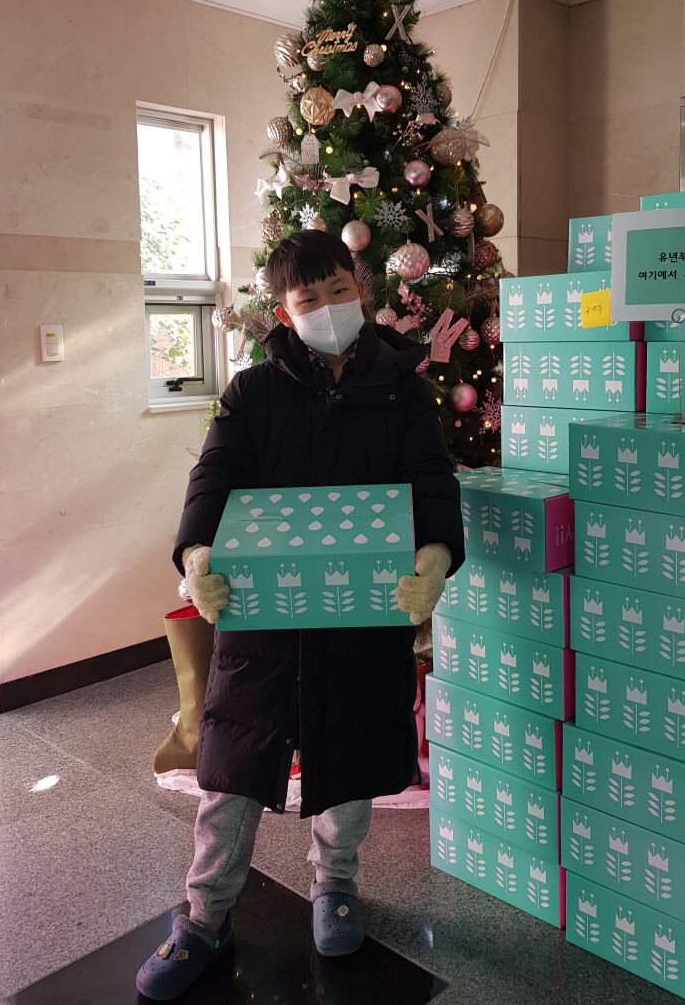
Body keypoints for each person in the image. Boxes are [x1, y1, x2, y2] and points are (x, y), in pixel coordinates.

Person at [136, 230, 464, 1000]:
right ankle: (204, 916)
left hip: (360, 614)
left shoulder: (401, 387)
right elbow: (215, 473)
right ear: (284, 312)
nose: (327, 308)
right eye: (307, 299)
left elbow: (429, 475)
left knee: (348, 755)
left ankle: (335, 882)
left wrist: (435, 555)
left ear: (359, 288)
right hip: (263, 616)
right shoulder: (253, 391)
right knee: (232, 768)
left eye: (337, 290)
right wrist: (196, 553)